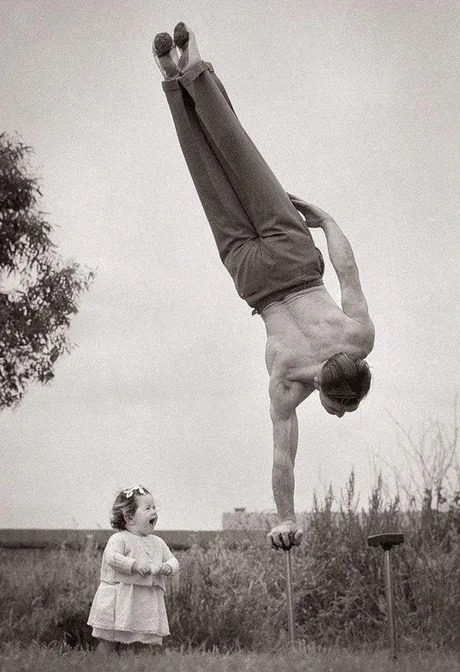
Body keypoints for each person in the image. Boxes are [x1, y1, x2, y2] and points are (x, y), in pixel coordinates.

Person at [152, 24, 375, 551]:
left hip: (295, 258)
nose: (340, 416)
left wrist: (326, 219)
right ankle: (170, 78)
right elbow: (283, 455)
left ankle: (193, 66)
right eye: (343, 409)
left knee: (237, 152)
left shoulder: (360, 339)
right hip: (254, 276)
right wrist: (285, 518)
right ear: (323, 389)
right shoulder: (288, 385)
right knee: (207, 172)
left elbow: (347, 270)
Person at [87, 485, 179, 653]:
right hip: (121, 598)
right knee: (110, 639)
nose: (154, 512)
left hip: (144, 601)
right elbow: (112, 557)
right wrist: (134, 565)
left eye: (154, 507)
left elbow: (173, 560)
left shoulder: (157, 542)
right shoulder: (120, 539)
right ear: (129, 518)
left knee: (141, 640)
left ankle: (134, 663)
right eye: (147, 508)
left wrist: (168, 566)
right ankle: (101, 664)